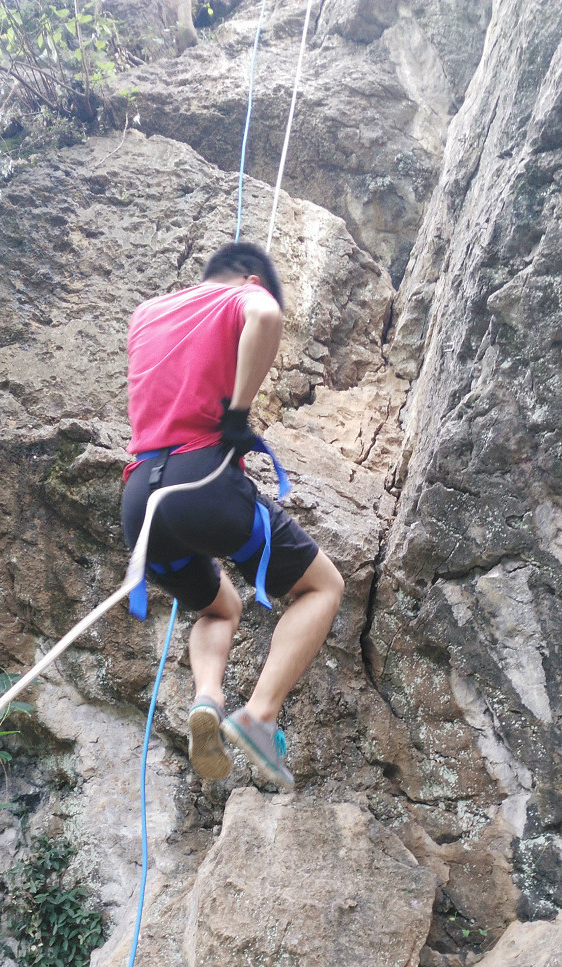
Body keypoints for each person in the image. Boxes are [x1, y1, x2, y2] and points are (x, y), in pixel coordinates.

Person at [122, 241, 344, 789]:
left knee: (218, 609)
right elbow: (265, 314)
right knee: (322, 588)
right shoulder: (246, 296)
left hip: (140, 501)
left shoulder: (146, 313)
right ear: (249, 277)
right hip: (203, 484)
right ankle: (259, 715)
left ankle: (207, 698)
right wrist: (238, 414)